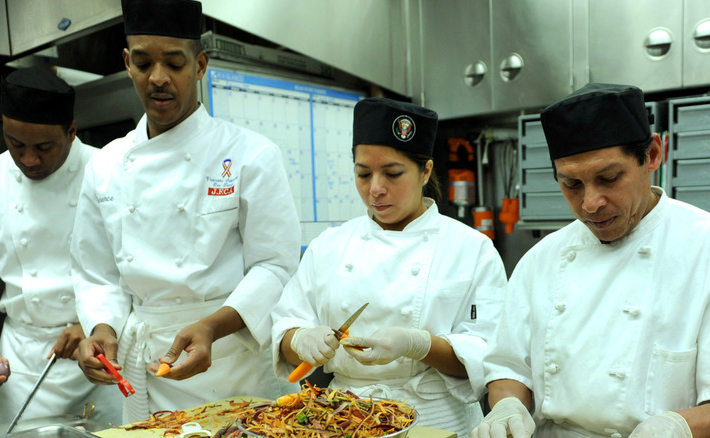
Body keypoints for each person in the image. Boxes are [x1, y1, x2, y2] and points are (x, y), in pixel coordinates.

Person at [71, 0, 301, 423]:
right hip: (149, 367)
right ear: (127, 63)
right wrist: (102, 331)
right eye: (143, 63)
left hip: (232, 361)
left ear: (199, 65)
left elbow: (276, 264)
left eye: (174, 63)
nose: (157, 78)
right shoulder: (104, 165)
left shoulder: (251, 155)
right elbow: (96, 273)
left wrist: (212, 327)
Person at [471, 83, 710, 438]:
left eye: (609, 178)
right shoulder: (541, 259)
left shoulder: (702, 248)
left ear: (653, 155)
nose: (590, 203)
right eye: (571, 184)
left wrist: (677, 426)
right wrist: (508, 406)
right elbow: (510, 367)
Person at [272, 97, 507, 437]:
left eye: (393, 173)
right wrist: (300, 340)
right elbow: (285, 330)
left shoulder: (472, 249)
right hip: (342, 418)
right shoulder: (330, 245)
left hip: (435, 421)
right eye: (363, 174)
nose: (375, 189)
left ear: (425, 171)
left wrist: (419, 344)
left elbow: (489, 354)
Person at [0, 66, 121, 425]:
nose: (29, 159)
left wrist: (98, 323)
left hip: (102, 354)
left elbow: (138, 268)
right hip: (23, 362)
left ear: (71, 130)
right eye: (15, 144)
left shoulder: (110, 172)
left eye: (43, 147)